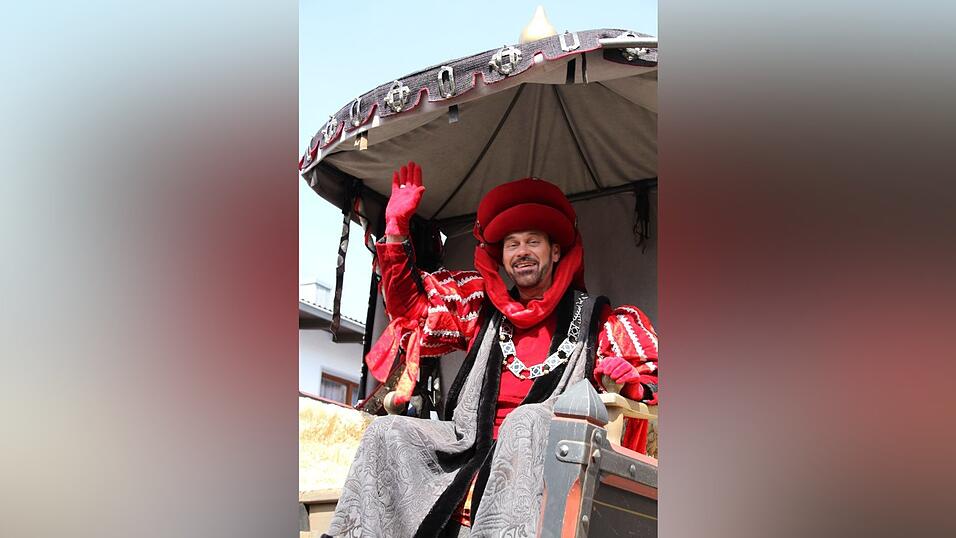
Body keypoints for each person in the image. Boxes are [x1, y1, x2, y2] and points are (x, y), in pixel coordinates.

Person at [325, 162, 658, 538]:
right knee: (385, 433)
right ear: (502, 258)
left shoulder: (596, 319)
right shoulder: (482, 306)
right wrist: (397, 231)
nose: (522, 252)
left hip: (550, 456)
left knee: (525, 421)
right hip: (469, 446)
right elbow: (412, 309)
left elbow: (647, 380)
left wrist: (626, 383)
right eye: (512, 244)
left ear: (555, 250)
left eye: (533, 241)